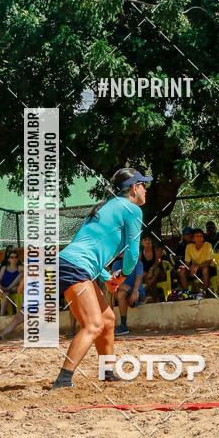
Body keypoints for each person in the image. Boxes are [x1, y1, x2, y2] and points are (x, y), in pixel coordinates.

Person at [52, 167, 150, 389]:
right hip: (74, 268)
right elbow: (133, 254)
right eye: (143, 185)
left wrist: (108, 277)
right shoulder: (132, 209)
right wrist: (122, 276)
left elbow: (87, 248)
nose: (146, 189)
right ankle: (63, 379)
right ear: (134, 188)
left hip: (70, 265)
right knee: (94, 324)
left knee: (107, 321)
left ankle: (106, 373)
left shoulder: (103, 207)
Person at [111, 253, 144, 335]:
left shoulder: (138, 263)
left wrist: (135, 290)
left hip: (135, 295)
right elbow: (113, 281)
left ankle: (123, 326)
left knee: (121, 293)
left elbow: (138, 278)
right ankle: (123, 326)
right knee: (121, 293)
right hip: (123, 294)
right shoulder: (116, 264)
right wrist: (128, 289)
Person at [178, 227, 215, 298]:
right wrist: (190, 268)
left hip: (209, 268)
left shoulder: (208, 245)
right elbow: (187, 263)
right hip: (196, 269)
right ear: (193, 239)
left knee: (205, 269)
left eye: (201, 236)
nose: (199, 238)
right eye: (197, 236)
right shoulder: (189, 247)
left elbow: (208, 262)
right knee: (181, 271)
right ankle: (187, 292)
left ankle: (204, 292)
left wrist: (196, 267)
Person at [0, 250, 23, 315]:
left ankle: (1, 315)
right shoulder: (4, 268)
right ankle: (2, 315)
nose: (14, 259)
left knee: (7, 293)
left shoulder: (19, 268)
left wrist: (22, 266)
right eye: (12, 257)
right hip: (2, 288)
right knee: (6, 294)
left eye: (16, 257)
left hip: (12, 289)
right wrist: (0, 287)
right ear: (8, 259)